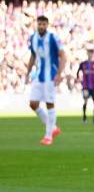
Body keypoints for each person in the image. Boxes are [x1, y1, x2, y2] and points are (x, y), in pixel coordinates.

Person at [26, 15, 66, 145]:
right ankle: (53, 128)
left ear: (47, 25)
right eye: (39, 24)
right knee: (33, 103)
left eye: (43, 24)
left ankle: (48, 136)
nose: (41, 26)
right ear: (37, 24)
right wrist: (28, 72)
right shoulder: (33, 38)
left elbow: (63, 55)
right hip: (38, 76)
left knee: (49, 104)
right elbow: (33, 55)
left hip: (51, 76)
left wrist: (59, 73)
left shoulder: (53, 38)